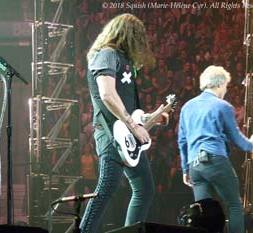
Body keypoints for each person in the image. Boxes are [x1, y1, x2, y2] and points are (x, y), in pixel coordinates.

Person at [79, 13, 168, 233]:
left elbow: (128, 109)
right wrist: (133, 124)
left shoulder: (124, 61)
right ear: (127, 35)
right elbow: (107, 95)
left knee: (144, 188)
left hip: (125, 132)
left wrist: (151, 117)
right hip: (110, 132)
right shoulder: (106, 54)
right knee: (106, 188)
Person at [177, 65, 253, 233]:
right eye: (226, 86)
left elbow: (182, 141)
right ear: (219, 84)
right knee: (234, 205)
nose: (225, 90)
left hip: (195, 166)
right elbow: (235, 136)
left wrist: (185, 169)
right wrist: (250, 146)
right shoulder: (223, 106)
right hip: (215, 160)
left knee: (204, 213)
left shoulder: (187, 107)